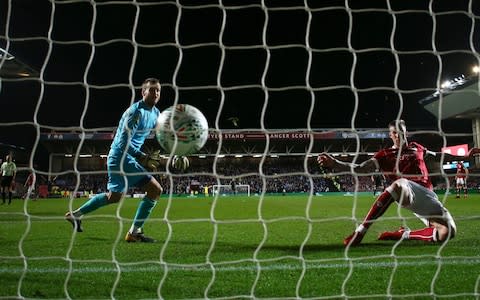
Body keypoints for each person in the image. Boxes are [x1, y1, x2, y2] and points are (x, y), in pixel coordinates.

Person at [317, 119, 480, 246]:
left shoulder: (417, 148)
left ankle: (404, 234)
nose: (398, 136)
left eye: (400, 132)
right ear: (390, 135)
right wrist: (335, 163)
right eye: (394, 133)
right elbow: (362, 168)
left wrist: (464, 157)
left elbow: (439, 156)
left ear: (405, 133)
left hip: (427, 196)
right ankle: (360, 232)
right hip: (406, 193)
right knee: (401, 182)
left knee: (447, 232)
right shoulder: (384, 154)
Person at [65, 78, 188, 243]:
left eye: (158, 90)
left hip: (121, 158)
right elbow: (123, 142)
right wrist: (141, 156)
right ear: (143, 92)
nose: (156, 93)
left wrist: (175, 151)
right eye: (151, 90)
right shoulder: (136, 112)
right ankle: (134, 232)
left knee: (114, 197)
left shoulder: (156, 113)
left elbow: (163, 136)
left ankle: (76, 215)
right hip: (122, 157)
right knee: (155, 190)